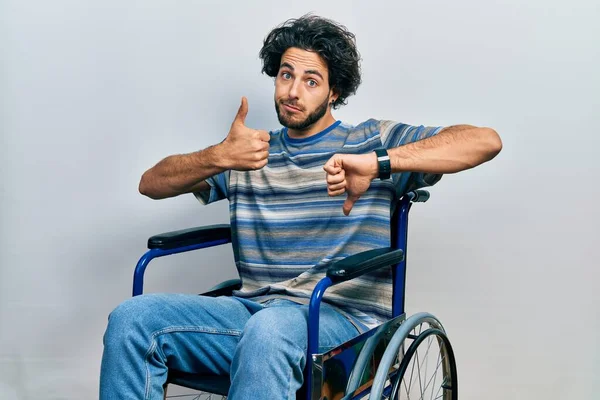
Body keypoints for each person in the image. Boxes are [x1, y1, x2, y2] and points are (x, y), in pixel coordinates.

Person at [100, 14, 502, 399]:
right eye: (286, 75)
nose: (292, 91)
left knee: (270, 331)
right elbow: (150, 184)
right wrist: (218, 155)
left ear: (334, 92)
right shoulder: (246, 154)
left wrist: (378, 163)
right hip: (253, 315)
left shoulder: (370, 140)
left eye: (311, 81)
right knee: (132, 321)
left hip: (345, 327)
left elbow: (484, 141)